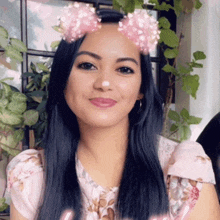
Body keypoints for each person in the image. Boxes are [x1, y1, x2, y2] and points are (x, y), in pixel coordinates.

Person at [6, 3, 220, 220]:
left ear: (141, 89)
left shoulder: (182, 173)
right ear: (63, 80)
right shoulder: (33, 176)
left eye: (124, 69)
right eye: (87, 65)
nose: (104, 83)